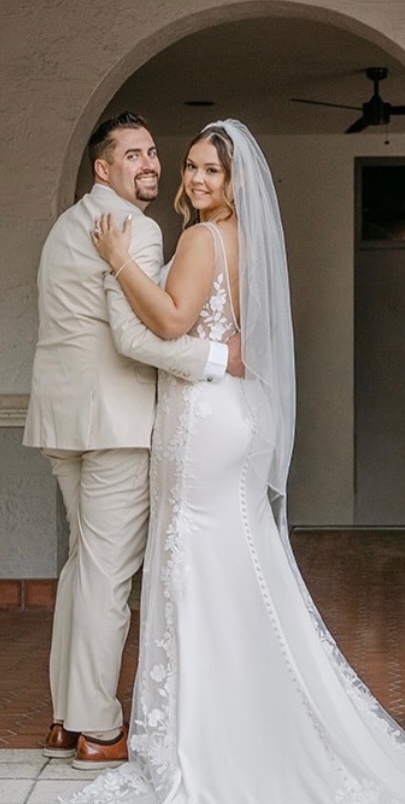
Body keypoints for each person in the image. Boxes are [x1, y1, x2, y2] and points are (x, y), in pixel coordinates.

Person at [39, 119, 405, 804]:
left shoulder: (204, 239)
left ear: (236, 183)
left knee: (196, 571)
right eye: (191, 166)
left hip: (204, 414)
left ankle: (208, 746)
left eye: (212, 170)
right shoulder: (231, 237)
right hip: (230, 410)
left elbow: (170, 322)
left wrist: (118, 260)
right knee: (233, 567)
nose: (197, 179)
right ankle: (236, 726)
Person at [23, 113, 243, 770]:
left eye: (154, 152)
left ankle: (65, 716)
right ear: (104, 167)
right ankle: (97, 724)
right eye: (134, 155)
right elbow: (137, 336)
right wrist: (217, 358)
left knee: (80, 564)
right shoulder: (135, 230)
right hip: (114, 423)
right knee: (107, 575)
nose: (151, 164)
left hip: (62, 418)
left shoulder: (67, 225)